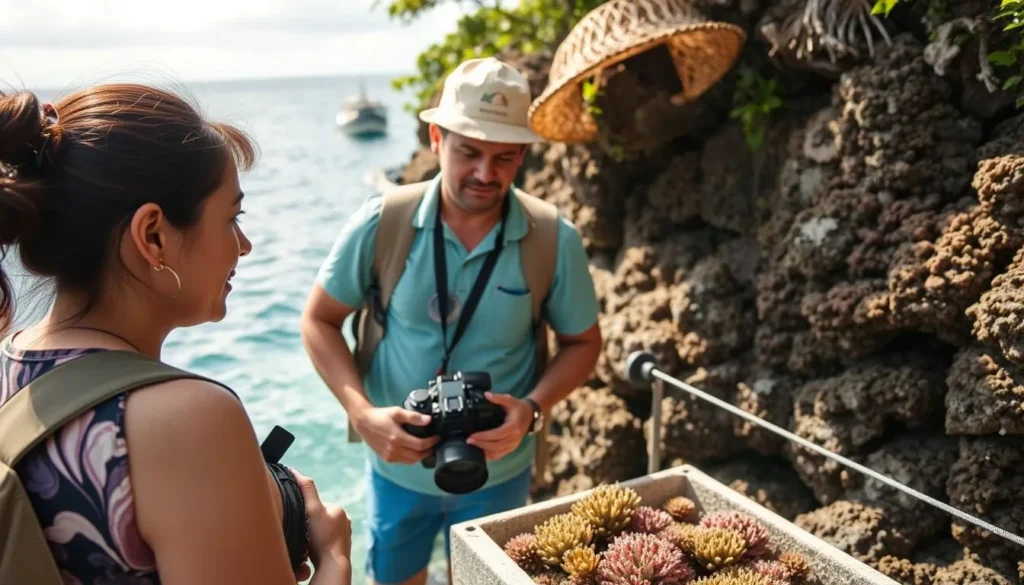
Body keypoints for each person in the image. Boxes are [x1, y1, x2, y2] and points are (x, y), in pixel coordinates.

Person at [0, 84, 352, 585]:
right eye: (233, 218)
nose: (245, 246)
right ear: (153, 236)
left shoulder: (13, 363)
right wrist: (335, 559)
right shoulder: (189, 417)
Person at [301, 57, 603, 585]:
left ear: (524, 156)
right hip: (397, 468)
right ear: (436, 138)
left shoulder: (555, 239)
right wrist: (363, 415)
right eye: (469, 152)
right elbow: (319, 321)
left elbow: (583, 343)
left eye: (504, 158)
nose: (486, 174)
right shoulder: (382, 223)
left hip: (502, 470)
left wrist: (531, 409)